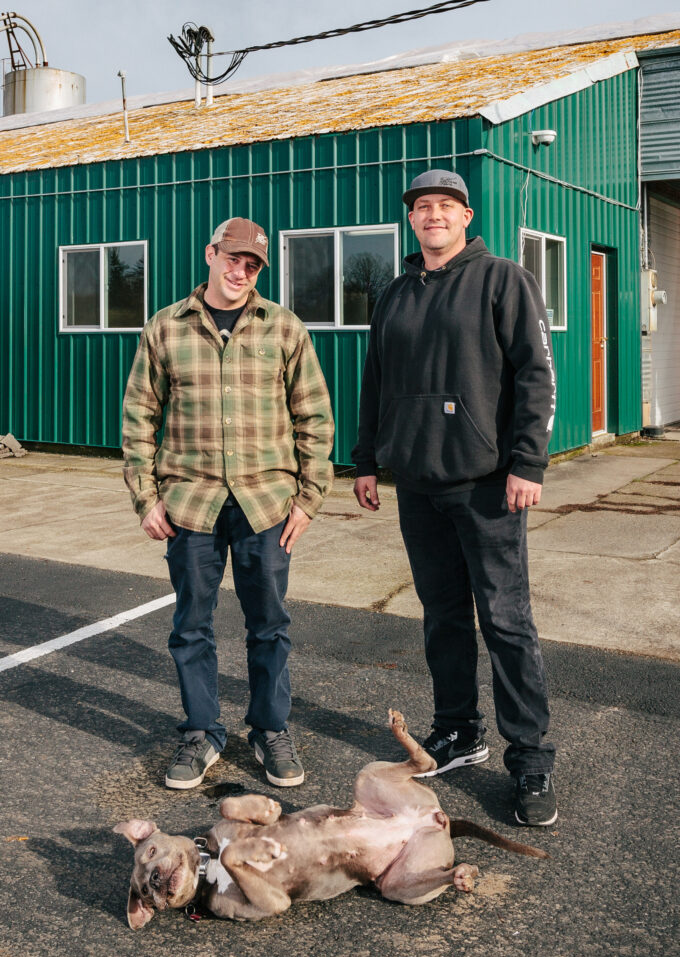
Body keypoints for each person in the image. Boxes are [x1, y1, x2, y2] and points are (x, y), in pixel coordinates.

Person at [352, 169, 558, 827]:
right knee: (442, 616)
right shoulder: (394, 294)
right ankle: (457, 732)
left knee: (505, 621)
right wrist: (365, 461)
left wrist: (528, 461)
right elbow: (375, 381)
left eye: (444, 206)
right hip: (417, 484)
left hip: (488, 486)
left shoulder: (501, 280)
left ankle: (530, 759)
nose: (432, 215)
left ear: (467, 216)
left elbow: (535, 373)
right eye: (421, 207)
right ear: (411, 219)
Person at [123, 217, 334, 790]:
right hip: (190, 503)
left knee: (269, 625)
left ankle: (270, 731)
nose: (241, 272)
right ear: (210, 253)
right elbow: (140, 418)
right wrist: (146, 497)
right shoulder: (165, 328)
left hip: (266, 503)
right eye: (233, 259)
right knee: (192, 625)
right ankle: (201, 733)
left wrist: (309, 499)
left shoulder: (284, 328)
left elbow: (313, 416)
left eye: (252, 265)